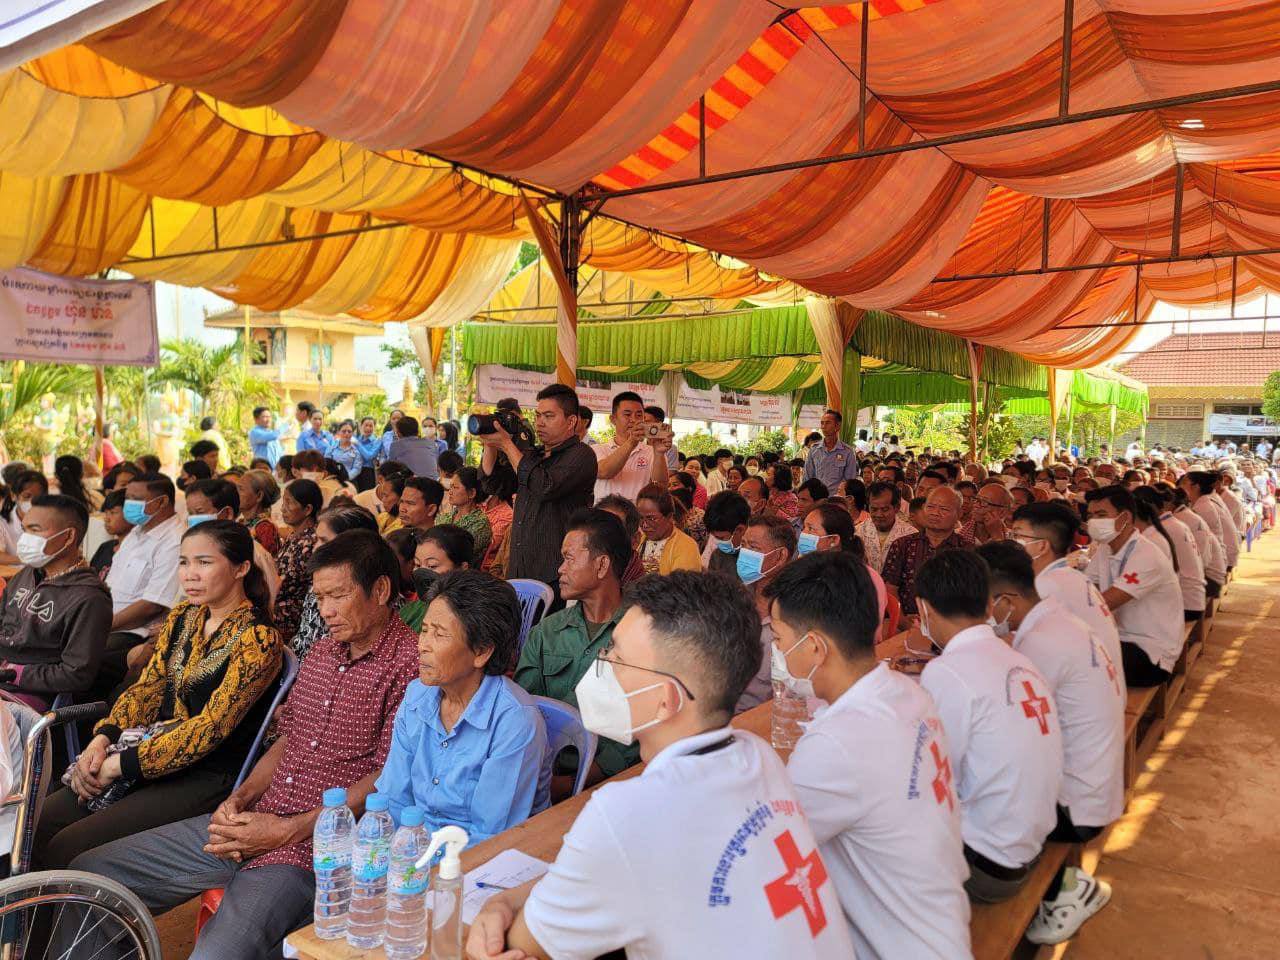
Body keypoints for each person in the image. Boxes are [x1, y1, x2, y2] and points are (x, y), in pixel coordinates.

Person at [66, 530, 420, 960]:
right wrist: (241, 798)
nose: (325, 611)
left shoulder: (411, 668)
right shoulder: (324, 653)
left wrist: (288, 829)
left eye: (338, 597)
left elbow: (388, 776)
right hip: (253, 820)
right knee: (87, 878)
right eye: (320, 598)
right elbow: (289, 738)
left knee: (216, 954)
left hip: (312, 844)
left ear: (380, 590)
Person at [469, 572, 855, 960]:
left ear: (664, 699)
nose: (603, 665)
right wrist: (510, 897)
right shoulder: (758, 756)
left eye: (617, 657)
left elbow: (519, 943)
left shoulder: (627, 813)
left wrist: (497, 905)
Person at [35, 521, 282, 869]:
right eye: (183, 562)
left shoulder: (259, 639)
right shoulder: (183, 617)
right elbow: (148, 688)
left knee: (68, 846)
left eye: (204, 562)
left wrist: (119, 765)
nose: (190, 574)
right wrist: (103, 739)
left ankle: (53, 907)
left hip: (206, 773)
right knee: (38, 819)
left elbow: (209, 729)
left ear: (241, 568)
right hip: (147, 748)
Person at [765, 552, 972, 960]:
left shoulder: (837, 743)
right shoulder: (905, 690)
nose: (776, 651)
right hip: (942, 921)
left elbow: (768, 851)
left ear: (815, 647)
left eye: (778, 639)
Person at [974, 542, 1122, 944]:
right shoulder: (1055, 620)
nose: (984, 616)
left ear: (1006, 600)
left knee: (961, 797)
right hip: (1094, 780)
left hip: (1074, 805)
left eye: (985, 605)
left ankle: (1063, 891)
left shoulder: (1040, 643)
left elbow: (1009, 738)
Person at [915, 550, 1063, 903]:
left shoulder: (946, 671)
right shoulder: (1018, 659)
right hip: (1029, 844)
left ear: (924, 608)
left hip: (987, 867)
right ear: (988, 604)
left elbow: (931, 778)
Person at [375, 569, 548, 834]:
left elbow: (490, 835)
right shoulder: (416, 697)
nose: (422, 645)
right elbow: (394, 798)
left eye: (439, 634)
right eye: (424, 630)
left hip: (474, 855)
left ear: (481, 651)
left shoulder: (515, 721)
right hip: (412, 848)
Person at [516, 509, 640, 794]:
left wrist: (572, 785)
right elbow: (524, 712)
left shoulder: (642, 637)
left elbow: (635, 735)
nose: (560, 569)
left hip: (607, 785)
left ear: (602, 565)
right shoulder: (546, 633)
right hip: (541, 774)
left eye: (569, 558)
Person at [481, 384, 598, 599]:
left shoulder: (582, 454)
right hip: (518, 569)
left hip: (556, 573)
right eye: (537, 415)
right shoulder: (533, 455)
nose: (540, 422)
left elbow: (544, 486)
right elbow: (494, 484)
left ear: (571, 421)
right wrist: (490, 445)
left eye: (549, 416)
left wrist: (507, 445)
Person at [0, 494, 112, 712]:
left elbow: (77, 674)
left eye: (35, 530)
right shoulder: (26, 574)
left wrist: (16, 673)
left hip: (30, 694)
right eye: (24, 530)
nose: (25, 539)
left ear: (68, 536)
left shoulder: (89, 597)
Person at [1084, 486, 1184, 687]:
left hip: (1150, 653)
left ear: (1126, 517)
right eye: (1090, 516)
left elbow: (1102, 604)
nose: (1093, 522)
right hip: (1119, 638)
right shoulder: (1106, 548)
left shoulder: (1146, 555)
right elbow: (1085, 588)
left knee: (1071, 658)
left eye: (1101, 515)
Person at [1010, 502, 1121, 660]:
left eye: (1017, 536)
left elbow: (1017, 639)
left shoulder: (1046, 585)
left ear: (1042, 546)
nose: (1012, 543)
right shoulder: (1072, 577)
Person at [104, 473, 183, 689]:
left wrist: (101, 627)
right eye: (127, 498)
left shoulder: (174, 541)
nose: (129, 505)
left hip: (132, 633)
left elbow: (152, 605)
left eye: (136, 499)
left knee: (81, 657)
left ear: (162, 501)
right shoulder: (136, 532)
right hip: (106, 621)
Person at [288, 504, 382, 661]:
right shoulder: (317, 589)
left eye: (324, 540)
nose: (315, 548)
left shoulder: (377, 594)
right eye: (316, 539)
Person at [880, 487, 973, 616]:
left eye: (944, 509)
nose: (935, 513)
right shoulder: (903, 545)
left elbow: (971, 596)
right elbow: (890, 589)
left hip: (952, 624)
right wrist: (904, 622)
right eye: (930, 507)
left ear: (959, 513)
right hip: (906, 621)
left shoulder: (968, 551)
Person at [737, 515, 795, 712]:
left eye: (753, 548)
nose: (745, 553)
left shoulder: (795, 613)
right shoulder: (735, 597)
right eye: (743, 545)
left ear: (780, 556)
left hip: (761, 716)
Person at [592, 391, 669, 502]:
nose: (634, 420)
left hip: (638, 512)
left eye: (639, 415)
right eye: (627, 415)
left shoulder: (653, 452)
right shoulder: (596, 449)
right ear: (613, 419)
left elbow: (661, 486)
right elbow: (605, 472)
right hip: (604, 512)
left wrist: (659, 453)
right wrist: (631, 442)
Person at [272, 479, 322, 643]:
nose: (283, 508)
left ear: (307, 509)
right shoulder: (295, 536)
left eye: (289, 503)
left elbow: (284, 584)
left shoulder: (310, 541)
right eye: (283, 502)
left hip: (293, 617)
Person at [635, 483, 701, 575]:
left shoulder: (686, 547)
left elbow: (683, 583)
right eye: (640, 518)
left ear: (669, 516)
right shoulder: (639, 541)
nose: (644, 525)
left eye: (652, 519)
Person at [855, 480, 916, 574]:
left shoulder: (911, 535)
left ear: (897, 507)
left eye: (884, 509)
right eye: (874, 509)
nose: (879, 515)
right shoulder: (858, 532)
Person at [437, 466, 492, 564]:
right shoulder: (446, 517)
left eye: (455, 487)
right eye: (450, 487)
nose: (450, 492)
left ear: (471, 493)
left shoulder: (480, 523)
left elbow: (457, 554)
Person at [803, 409, 859, 492]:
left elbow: (850, 481)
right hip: (818, 497)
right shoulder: (814, 450)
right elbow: (808, 477)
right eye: (822, 423)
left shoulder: (848, 452)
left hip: (837, 498)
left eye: (828, 423)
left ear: (837, 426)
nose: (823, 426)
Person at [595, 494, 646, 586]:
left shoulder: (644, 591)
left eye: (612, 533)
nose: (601, 539)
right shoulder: (579, 577)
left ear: (634, 541)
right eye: (597, 531)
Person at [703, 489, 750, 575]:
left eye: (721, 538)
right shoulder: (718, 555)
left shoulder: (757, 558)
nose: (716, 542)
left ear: (740, 530)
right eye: (714, 536)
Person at [235, 469, 281, 557]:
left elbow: (265, 562)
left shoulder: (266, 528)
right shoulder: (241, 522)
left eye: (241, 489)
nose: (235, 493)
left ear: (259, 496)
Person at [90, 489, 134, 579]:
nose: (107, 519)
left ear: (130, 513)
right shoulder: (105, 548)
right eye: (106, 513)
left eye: (113, 512)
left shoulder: (138, 552)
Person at [960, 479, 1014, 545]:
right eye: (976, 499)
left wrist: (997, 536)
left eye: (984, 502)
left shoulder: (1014, 541)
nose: (976, 505)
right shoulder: (959, 534)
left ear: (1002, 512)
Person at [354, 416, 384, 491]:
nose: (368, 428)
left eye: (371, 426)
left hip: (367, 472)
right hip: (354, 470)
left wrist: (358, 444)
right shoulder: (357, 439)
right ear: (361, 426)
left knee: (366, 495)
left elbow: (369, 456)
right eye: (366, 425)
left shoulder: (377, 441)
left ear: (374, 427)